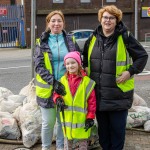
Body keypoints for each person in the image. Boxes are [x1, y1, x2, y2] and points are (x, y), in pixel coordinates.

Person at [82, 5, 148, 150]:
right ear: (100, 19)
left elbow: (142, 56)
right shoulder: (93, 37)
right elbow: (84, 56)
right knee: (103, 134)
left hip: (118, 96)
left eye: (112, 18)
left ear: (116, 20)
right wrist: (85, 66)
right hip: (99, 95)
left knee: (117, 133)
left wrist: (130, 72)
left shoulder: (125, 37)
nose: (108, 20)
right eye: (105, 17)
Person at [34, 10, 80, 150]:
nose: (56, 23)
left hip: (67, 87)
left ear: (63, 23)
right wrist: (53, 82)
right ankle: (46, 148)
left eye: (59, 20)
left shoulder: (71, 40)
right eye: (53, 21)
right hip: (48, 89)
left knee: (62, 122)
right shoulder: (41, 42)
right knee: (48, 122)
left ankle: (61, 147)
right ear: (48, 23)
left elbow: (78, 60)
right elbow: (39, 66)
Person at [53, 51, 96, 150]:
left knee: (83, 144)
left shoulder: (87, 82)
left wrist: (90, 117)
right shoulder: (62, 81)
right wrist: (57, 99)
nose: (70, 66)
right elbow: (56, 94)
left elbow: (92, 102)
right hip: (67, 120)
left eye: (73, 63)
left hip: (82, 120)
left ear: (79, 64)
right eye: (67, 64)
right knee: (67, 144)